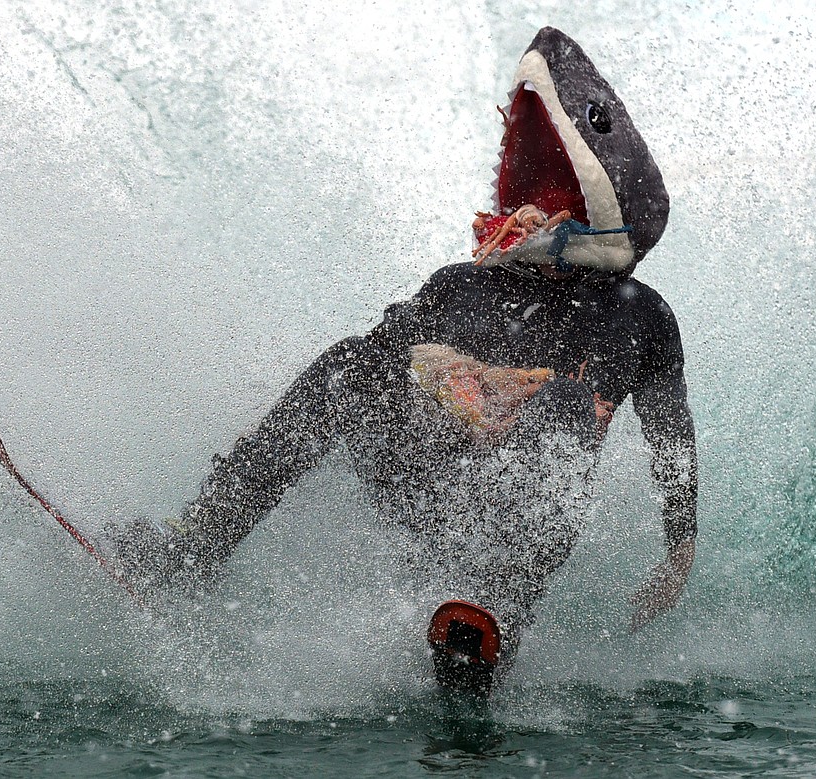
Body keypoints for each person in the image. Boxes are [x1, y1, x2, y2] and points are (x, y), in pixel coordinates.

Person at [109, 26, 697, 669]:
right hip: (429, 483)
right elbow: (382, 359)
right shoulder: (462, 284)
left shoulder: (642, 317)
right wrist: (457, 376)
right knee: (347, 368)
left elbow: (671, 436)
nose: (530, 217)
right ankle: (195, 550)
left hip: (523, 519)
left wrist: (678, 553)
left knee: (562, 405)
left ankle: (494, 609)